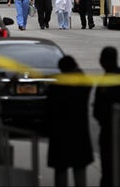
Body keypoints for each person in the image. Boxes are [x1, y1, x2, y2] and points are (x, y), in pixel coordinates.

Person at [46, 55, 93, 187]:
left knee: (60, 169)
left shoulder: (57, 86)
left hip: (60, 132)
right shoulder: (82, 84)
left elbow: (49, 108)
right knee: (79, 168)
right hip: (78, 131)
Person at [93, 46, 120, 187]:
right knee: (118, 164)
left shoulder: (107, 80)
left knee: (109, 167)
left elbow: (98, 110)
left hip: (111, 129)